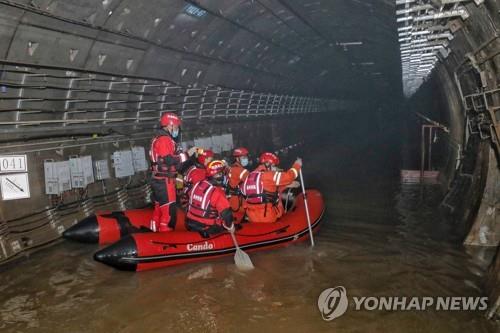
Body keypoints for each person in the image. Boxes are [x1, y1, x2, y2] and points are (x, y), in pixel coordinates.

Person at [149, 112, 196, 232]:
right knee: (169, 214)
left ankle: (153, 234)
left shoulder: (158, 138)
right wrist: (187, 154)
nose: (177, 130)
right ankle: (165, 240)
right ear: (170, 125)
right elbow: (169, 160)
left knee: (158, 209)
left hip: (158, 180)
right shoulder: (164, 139)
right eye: (176, 127)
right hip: (165, 181)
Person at [241, 152, 302, 223]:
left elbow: (265, 190)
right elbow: (289, 177)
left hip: (252, 217)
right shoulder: (268, 175)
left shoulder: (250, 176)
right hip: (268, 217)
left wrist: (286, 185)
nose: (275, 169)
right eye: (274, 166)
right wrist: (297, 165)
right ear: (267, 164)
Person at [186, 160, 235, 238]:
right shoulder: (217, 191)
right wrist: (231, 227)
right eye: (223, 174)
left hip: (190, 222)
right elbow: (227, 214)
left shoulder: (198, 184)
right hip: (207, 226)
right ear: (219, 175)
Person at [227, 147, 250, 213]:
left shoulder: (232, 167)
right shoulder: (241, 171)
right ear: (237, 158)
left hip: (232, 198)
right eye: (243, 158)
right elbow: (252, 180)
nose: (246, 159)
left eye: (246, 157)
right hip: (238, 201)